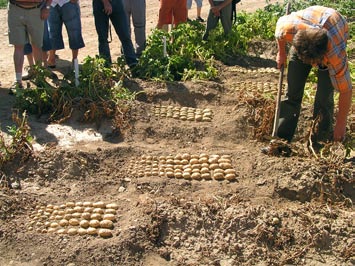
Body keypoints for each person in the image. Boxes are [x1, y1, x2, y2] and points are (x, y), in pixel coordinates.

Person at [275, 5, 352, 143]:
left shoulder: (335, 56)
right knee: (292, 91)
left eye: (314, 62)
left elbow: (346, 90)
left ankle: (319, 140)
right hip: (307, 31)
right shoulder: (289, 28)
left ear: (323, 56)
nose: (311, 64)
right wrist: (281, 53)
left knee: (324, 97)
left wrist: (341, 125)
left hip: (336, 29)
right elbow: (278, 33)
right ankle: (282, 137)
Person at [7, 0, 52, 93]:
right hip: (15, 9)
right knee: (18, 46)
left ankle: (39, 77)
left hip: (37, 10)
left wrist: (47, 7)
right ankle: (18, 80)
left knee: (37, 46)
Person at [92, 0, 138, 68]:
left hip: (117, 3)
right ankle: (106, 66)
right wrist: (105, 2)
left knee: (125, 35)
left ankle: (133, 64)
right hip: (99, 3)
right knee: (103, 38)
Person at [47, 0, 85, 68]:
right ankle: (51, 58)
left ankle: (74, 60)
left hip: (68, 3)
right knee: (52, 32)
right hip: (52, 4)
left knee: (74, 31)